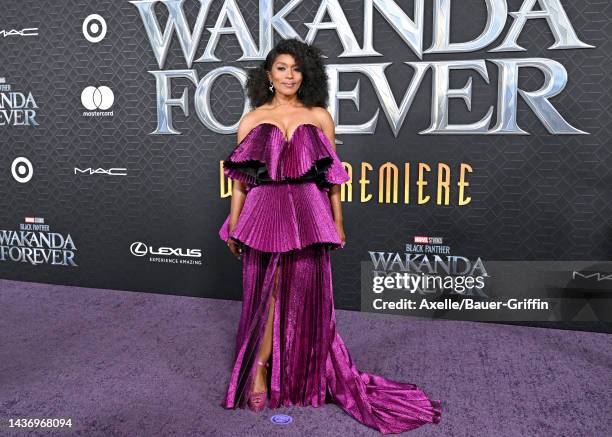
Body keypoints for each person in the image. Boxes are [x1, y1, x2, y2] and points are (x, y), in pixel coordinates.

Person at [218, 38, 442, 434]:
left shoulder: (320, 116)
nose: (289, 75)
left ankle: (297, 370)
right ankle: (259, 370)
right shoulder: (250, 121)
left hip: (307, 211)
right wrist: (233, 223)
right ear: (267, 76)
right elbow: (239, 182)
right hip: (263, 211)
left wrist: (338, 222)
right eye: (282, 68)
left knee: (304, 293)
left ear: (306, 75)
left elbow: (332, 178)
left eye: (296, 68)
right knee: (266, 294)